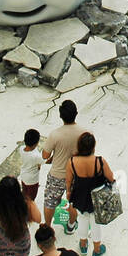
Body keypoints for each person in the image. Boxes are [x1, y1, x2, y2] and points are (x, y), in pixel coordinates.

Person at [66, 132, 115, 256]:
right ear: (93, 146)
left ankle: (83, 245)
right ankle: (97, 249)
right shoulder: (99, 161)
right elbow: (111, 177)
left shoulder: (72, 161)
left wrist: (68, 193)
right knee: (95, 223)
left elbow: (68, 181)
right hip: (97, 197)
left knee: (82, 219)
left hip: (80, 195)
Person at [41, 99, 85, 234]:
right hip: (76, 174)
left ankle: (48, 228)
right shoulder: (84, 133)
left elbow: (44, 155)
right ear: (76, 113)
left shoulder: (55, 134)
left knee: (50, 202)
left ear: (61, 116)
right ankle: (71, 225)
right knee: (73, 202)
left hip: (57, 174)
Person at [19, 128, 42, 202]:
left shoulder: (21, 148)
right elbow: (47, 161)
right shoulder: (36, 156)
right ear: (36, 143)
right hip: (32, 180)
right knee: (31, 198)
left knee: (24, 192)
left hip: (23, 176)